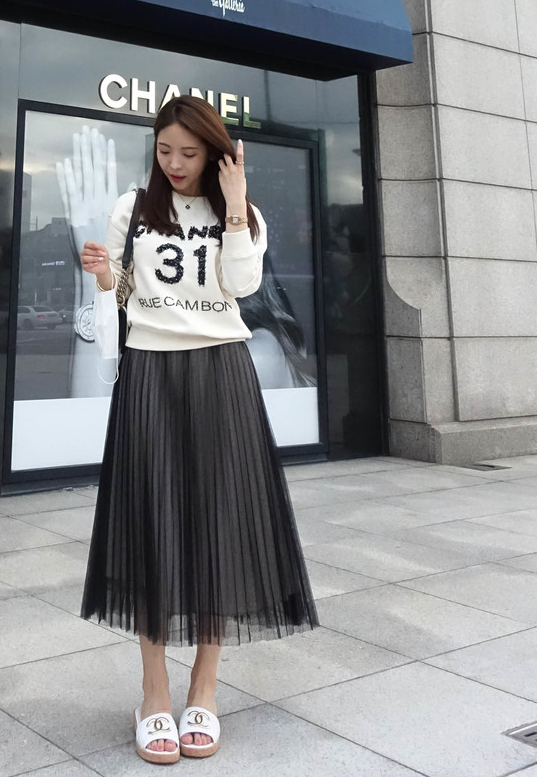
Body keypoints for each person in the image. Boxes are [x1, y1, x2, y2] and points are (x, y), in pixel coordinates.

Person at [78, 95, 318, 765]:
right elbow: (125, 295)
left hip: (220, 371)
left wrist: (235, 206)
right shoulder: (133, 208)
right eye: (165, 151)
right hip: (150, 372)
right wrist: (104, 276)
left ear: (215, 153)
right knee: (149, 524)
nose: (175, 164)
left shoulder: (242, 216)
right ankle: (153, 693)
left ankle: (203, 689)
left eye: (188, 152)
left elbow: (240, 284)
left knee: (218, 524)